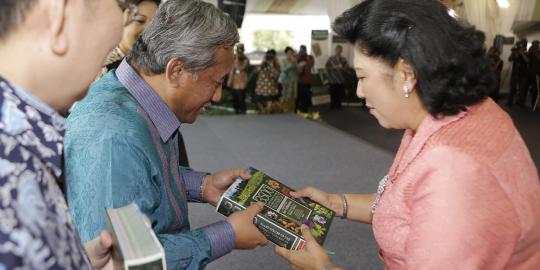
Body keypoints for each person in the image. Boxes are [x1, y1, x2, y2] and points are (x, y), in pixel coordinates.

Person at [275, 1, 540, 269]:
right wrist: (335, 203)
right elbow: (409, 208)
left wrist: (321, 268)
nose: (359, 92)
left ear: (406, 75)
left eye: (363, 77)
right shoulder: (456, 112)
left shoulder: (454, 169)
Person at [64, 1, 268, 269]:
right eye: (215, 82)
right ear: (176, 71)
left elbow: (140, 178)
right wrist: (226, 235)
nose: (217, 96)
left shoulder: (140, 99)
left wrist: (202, 186)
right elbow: (124, 259)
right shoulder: (113, 137)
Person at [0, 0, 126, 269]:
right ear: (59, 13)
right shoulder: (12, 178)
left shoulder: (21, 145)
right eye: (122, 4)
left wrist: (74, 258)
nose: (125, 20)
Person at [99, 0, 160, 77]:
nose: (148, 30)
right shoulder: (99, 65)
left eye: (153, 24)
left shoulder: (153, 65)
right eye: (140, 20)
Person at [227, 43, 250, 114]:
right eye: (238, 49)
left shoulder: (245, 58)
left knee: (241, 96)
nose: (239, 50)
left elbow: (243, 67)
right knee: (235, 96)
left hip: (242, 79)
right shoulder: (233, 57)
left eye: (241, 49)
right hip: (234, 79)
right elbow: (230, 67)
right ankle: (236, 109)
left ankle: (243, 109)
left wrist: (237, 61)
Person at [507, 40, 529, 108]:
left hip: (522, 74)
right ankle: (510, 102)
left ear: (524, 46)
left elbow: (527, 61)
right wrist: (513, 53)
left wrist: (522, 53)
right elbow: (509, 59)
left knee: (521, 90)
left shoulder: (527, 53)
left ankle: (520, 104)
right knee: (512, 88)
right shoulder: (515, 52)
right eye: (519, 45)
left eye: (521, 45)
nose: (520, 46)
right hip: (515, 73)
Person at [325, 45, 349, 109]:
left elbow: (347, 68)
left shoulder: (344, 59)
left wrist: (343, 68)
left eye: (340, 50)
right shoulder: (331, 59)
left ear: (341, 51)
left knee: (340, 93)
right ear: (335, 50)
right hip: (333, 79)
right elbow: (326, 67)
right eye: (338, 49)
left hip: (341, 79)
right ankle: (332, 105)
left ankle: (338, 105)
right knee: (333, 93)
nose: (339, 51)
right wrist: (333, 67)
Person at [280, 46, 299, 112]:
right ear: (286, 53)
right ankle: (284, 112)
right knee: (285, 97)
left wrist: (295, 64)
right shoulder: (283, 61)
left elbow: (298, 71)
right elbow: (284, 70)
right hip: (286, 81)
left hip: (293, 81)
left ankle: (292, 112)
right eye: (289, 53)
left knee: (293, 97)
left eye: (291, 53)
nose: (290, 54)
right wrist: (291, 63)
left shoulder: (294, 61)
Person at [297, 45, 315, 112]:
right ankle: (298, 110)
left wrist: (306, 58)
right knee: (298, 97)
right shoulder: (298, 57)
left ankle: (305, 110)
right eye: (301, 50)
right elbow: (294, 65)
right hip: (299, 81)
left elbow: (311, 65)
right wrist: (299, 56)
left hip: (307, 81)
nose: (302, 51)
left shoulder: (310, 57)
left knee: (305, 97)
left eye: (303, 50)